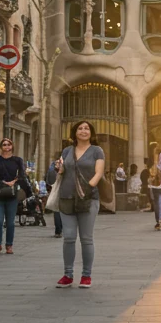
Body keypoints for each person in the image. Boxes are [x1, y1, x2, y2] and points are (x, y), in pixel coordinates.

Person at [54, 120, 105, 288]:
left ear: (91, 132)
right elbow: (62, 171)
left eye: (87, 128)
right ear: (75, 132)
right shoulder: (67, 151)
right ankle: (68, 275)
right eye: (80, 128)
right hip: (67, 197)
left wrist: (87, 188)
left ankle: (86, 276)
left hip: (88, 198)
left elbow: (99, 172)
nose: (83, 131)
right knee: (68, 237)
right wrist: (58, 168)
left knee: (86, 238)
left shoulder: (97, 151)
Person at [0, 137, 28, 254]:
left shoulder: (17, 160)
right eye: (4, 145)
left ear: (12, 147)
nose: (6, 147)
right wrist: (0, 184)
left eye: (8, 145)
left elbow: (22, 174)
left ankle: (9, 245)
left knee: (10, 222)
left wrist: (14, 181)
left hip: (12, 194)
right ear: (1, 147)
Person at [46, 152, 63, 237]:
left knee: (57, 210)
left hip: (55, 189)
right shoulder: (66, 165)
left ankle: (58, 231)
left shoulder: (52, 166)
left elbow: (49, 179)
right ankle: (62, 229)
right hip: (64, 190)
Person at [147, 164, 161, 230]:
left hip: (154, 188)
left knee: (157, 204)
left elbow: (149, 180)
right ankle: (160, 219)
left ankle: (158, 221)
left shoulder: (153, 167)